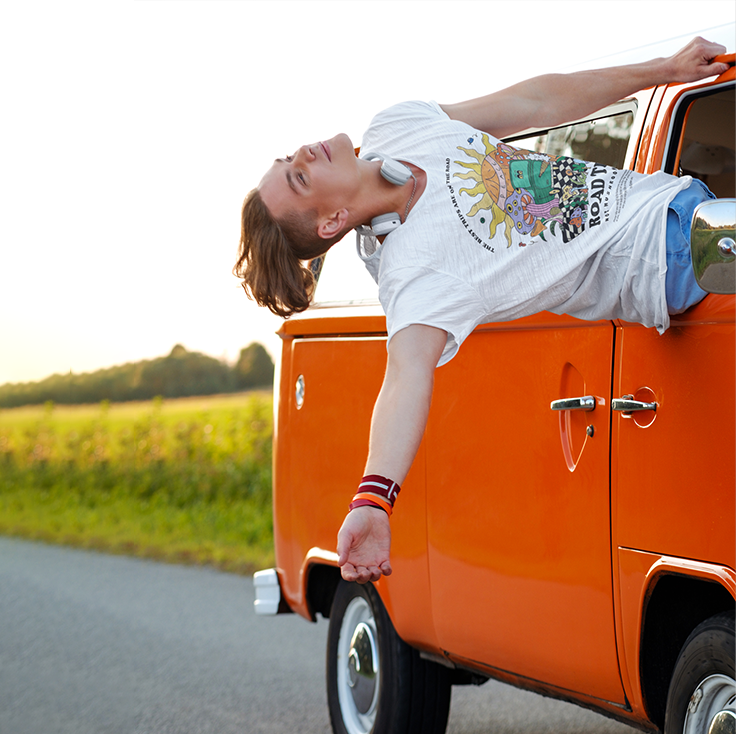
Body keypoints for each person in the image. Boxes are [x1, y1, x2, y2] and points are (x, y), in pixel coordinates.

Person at [234, 37, 729, 585]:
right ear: (331, 223)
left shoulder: (397, 127)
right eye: (299, 178)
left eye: (288, 160)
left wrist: (664, 69)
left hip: (680, 200)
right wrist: (374, 498)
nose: (302, 154)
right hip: (669, 262)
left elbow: (534, 104)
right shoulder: (412, 274)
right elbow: (404, 380)